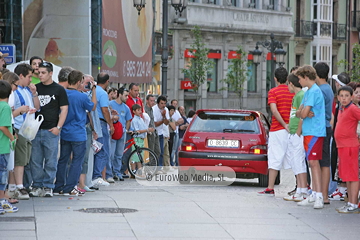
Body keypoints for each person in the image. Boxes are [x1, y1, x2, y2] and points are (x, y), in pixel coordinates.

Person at [54, 70, 96, 196]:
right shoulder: (82, 96)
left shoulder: (63, 93)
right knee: (77, 160)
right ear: (78, 82)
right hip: (78, 132)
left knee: (63, 159)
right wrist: (93, 90)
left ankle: (59, 186)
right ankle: (70, 187)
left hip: (65, 131)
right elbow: (92, 107)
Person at [29, 62, 69, 197]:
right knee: (35, 160)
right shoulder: (36, 88)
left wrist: (58, 127)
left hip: (51, 129)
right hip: (35, 129)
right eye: (39, 72)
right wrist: (34, 93)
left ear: (51, 73)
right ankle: (37, 185)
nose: (40, 75)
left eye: (43, 72)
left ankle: (48, 186)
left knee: (51, 160)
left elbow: (64, 109)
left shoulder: (59, 89)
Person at [258, 67, 293, 196]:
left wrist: (283, 124)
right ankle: (301, 186)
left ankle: (270, 187)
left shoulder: (273, 92)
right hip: (293, 128)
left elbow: (274, 110)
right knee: (295, 158)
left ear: (275, 79)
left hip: (278, 129)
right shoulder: (292, 92)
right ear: (287, 79)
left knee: (274, 158)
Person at [295, 65, 326, 209]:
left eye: (300, 79)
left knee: (314, 163)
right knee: (311, 163)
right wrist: (303, 112)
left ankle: (318, 195)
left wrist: (303, 112)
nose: (299, 81)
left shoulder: (313, 92)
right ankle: (315, 193)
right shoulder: (308, 92)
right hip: (310, 131)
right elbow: (298, 112)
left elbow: (302, 112)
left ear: (306, 77)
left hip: (315, 131)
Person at [8, 64, 40, 201]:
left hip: (27, 128)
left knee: (24, 159)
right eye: (29, 77)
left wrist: (34, 94)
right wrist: (21, 110)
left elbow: (36, 107)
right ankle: (17, 186)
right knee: (19, 160)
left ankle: (16, 185)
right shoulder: (14, 92)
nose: (30, 80)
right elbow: (9, 113)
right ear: (20, 76)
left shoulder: (26, 90)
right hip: (18, 128)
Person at [334, 86, 360, 213]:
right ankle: (350, 202)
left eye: (346, 96)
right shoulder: (342, 109)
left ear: (352, 97)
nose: (344, 98)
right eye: (341, 96)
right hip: (342, 146)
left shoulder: (353, 109)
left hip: (350, 146)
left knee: (353, 176)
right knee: (347, 176)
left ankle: (353, 204)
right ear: (338, 97)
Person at [282, 73, 308, 202]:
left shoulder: (300, 96)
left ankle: (301, 190)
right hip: (293, 132)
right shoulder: (297, 96)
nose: (288, 87)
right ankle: (301, 190)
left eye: (288, 84)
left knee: (298, 162)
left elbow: (302, 115)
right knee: (296, 162)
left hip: (297, 134)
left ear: (291, 84)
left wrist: (297, 132)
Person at [328, 73, 351, 201]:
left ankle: (343, 189)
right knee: (337, 162)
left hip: (343, 139)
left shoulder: (346, 106)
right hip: (338, 137)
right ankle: (341, 188)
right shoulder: (339, 103)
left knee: (340, 162)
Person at [314, 62, 334, 205]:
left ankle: (323, 194)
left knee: (322, 163)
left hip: (321, 127)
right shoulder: (329, 88)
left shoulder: (320, 90)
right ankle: (323, 194)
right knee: (324, 162)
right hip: (326, 126)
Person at [91, 72, 113, 187]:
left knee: (95, 149)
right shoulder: (103, 93)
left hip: (93, 122)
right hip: (101, 123)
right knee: (102, 149)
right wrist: (111, 124)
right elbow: (104, 110)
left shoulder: (93, 91)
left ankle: (94, 175)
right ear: (107, 81)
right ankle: (97, 176)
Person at [0, 80, 18, 214]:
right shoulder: (5, 107)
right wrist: (12, 137)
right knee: (2, 174)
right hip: (3, 146)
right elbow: (3, 126)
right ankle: (1, 201)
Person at [109, 87, 132, 181]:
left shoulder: (126, 108)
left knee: (119, 154)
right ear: (120, 94)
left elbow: (128, 120)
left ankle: (117, 172)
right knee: (111, 153)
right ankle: (110, 173)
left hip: (122, 133)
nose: (127, 97)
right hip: (113, 132)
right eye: (126, 95)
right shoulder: (111, 104)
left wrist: (125, 129)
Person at [129, 104, 154, 174]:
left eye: (140, 110)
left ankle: (139, 171)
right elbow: (137, 131)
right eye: (138, 110)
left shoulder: (140, 119)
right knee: (134, 156)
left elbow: (143, 128)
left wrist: (148, 131)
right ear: (134, 111)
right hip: (136, 139)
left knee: (140, 156)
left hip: (141, 139)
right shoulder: (134, 120)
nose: (140, 111)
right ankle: (133, 170)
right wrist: (147, 130)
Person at [152, 95, 170, 170]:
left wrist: (164, 116)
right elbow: (155, 123)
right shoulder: (154, 109)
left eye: (164, 103)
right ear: (158, 103)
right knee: (155, 151)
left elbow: (166, 123)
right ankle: (154, 167)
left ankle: (159, 168)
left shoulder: (166, 110)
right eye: (162, 103)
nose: (163, 105)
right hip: (154, 132)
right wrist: (163, 120)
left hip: (161, 132)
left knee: (161, 152)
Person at [144, 94, 160, 163]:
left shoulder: (152, 110)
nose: (153, 102)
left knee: (158, 151)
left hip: (154, 132)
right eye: (151, 101)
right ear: (147, 101)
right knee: (151, 152)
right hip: (149, 133)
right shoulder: (144, 110)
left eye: (154, 101)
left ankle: (154, 166)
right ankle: (150, 168)